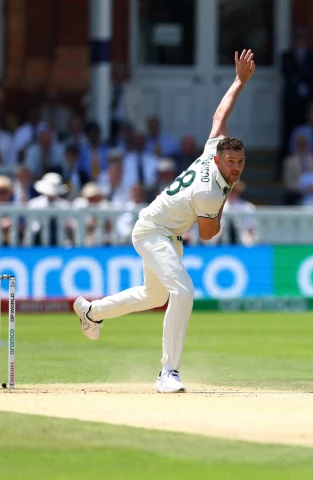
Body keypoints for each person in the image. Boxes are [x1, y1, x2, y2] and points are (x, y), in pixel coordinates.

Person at [72, 49, 256, 394]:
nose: (236, 167)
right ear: (218, 159)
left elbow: (220, 115)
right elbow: (210, 233)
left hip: (165, 233)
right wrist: (225, 198)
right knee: (183, 291)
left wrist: (239, 81)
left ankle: (92, 312)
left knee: (152, 295)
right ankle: (167, 373)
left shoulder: (210, 151)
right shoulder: (210, 193)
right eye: (230, 161)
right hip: (153, 231)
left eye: (240, 161)